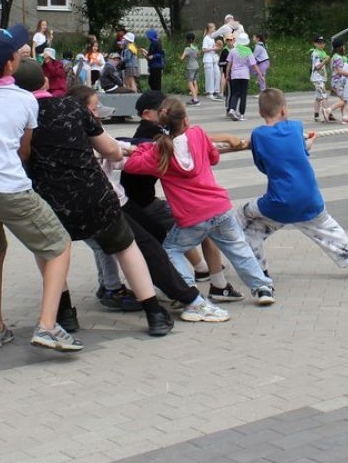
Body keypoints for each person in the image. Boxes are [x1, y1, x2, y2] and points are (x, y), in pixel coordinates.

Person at [0, 25, 81, 353]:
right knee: (58, 245)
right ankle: (47, 325)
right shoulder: (25, 100)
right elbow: (23, 151)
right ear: (12, 64)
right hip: (8, 187)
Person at [24, 68, 174, 337]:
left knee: (47, 250)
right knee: (126, 246)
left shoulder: (16, 112)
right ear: (45, 81)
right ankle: (154, 313)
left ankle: (65, 314)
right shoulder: (70, 106)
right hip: (94, 195)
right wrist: (120, 150)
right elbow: (109, 149)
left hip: (48, 199)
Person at [76, 86, 229, 323]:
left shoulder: (90, 131)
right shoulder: (153, 134)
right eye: (94, 109)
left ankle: (174, 288)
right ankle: (185, 294)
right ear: (149, 113)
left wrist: (127, 152)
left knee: (147, 240)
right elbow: (121, 152)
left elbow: (120, 151)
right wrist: (129, 153)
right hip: (122, 203)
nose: (98, 114)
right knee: (149, 245)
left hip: (123, 201)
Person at [123, 97, 277, 305]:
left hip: (191, 217)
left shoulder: (159, 151)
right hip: (219, 207)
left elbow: (131, 165)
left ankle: (186, 290)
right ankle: (262, 287)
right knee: (238, 247)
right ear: (185, 121)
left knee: (171, 249)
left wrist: (144, 149)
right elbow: (214, 158)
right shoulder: (197, 134)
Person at [239, 88, 348, 279]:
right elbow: (298, 150)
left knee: (244, 219)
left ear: (260, 113)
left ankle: (260, 272)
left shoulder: (258, 135)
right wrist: (309, 143)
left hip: (278, 203)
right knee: (328, 229)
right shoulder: (296, 127)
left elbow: (263, 166)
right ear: (284, 110)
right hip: (309, 199)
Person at [225, 31, 262, 121]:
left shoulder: (233, 50)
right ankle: (242, 114)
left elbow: (229, 64)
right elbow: (254, 64)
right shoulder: (248, 51)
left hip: (235, 75)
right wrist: (260, 74)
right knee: (243, 95)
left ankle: (232, 109)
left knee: (235, 93)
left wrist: (227, 75)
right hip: (245, 75)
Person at [328, 38, 348, 124]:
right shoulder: (338, 58)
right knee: (344, 100)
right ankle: (328, 110)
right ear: (340, 47)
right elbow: (339, 70)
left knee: (343, 99)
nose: (344, 47)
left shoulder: (335, 57)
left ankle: (344, 118)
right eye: (343, 46)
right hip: (338, 82)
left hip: (337, 81)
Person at [310, 35, 331, 123]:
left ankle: (316, 115)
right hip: (317, 79)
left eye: (322, 43)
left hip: (320, 78)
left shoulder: (322, 52)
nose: (321, 45)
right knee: (324, 95)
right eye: (319, 43)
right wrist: (325, 60)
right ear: (315, 44)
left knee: (318, 97)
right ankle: (328, 113)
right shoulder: (316, 53)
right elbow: (318, 66)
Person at [201, 22, 222, 100]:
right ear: (209, 29)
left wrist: (217, 47)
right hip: (207, 60)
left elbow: (213, 47)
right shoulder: (206, 38)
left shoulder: (212, 38)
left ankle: (215, 92)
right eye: (213, 28)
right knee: (209, 76)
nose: (214, 29)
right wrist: (213, 48)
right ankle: (209, 92)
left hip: (213, 60)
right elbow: (203, 49)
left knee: (216, 74)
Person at [181, 33, 202, 106]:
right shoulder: (195, 47)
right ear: (194, 40)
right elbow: (199, 55)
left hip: (190, 67)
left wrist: (181, 58)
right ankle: (194, 98)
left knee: (190, 83)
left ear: (186, 40)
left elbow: (182, 58)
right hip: (196, 66)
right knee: (195, 82)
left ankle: (195, 100)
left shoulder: (187, 48)